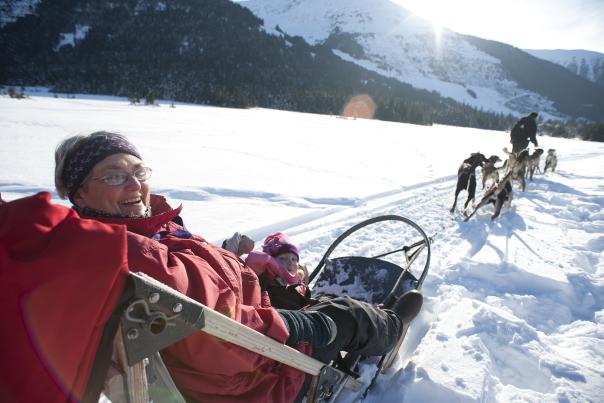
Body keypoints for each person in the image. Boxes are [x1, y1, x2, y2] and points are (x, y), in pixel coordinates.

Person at [1, 131, 423, 403]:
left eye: (137, 170)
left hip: (245, 323)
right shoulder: (132, 255)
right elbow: (225, 341)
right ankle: (390, 331)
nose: (134, 185)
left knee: (295, 289)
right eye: (113, 176)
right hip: (263, 377)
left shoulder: (149, 234)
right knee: (344, 314)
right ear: (79, 194)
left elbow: (203, 291)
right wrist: (303, 327)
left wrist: (242, 264)